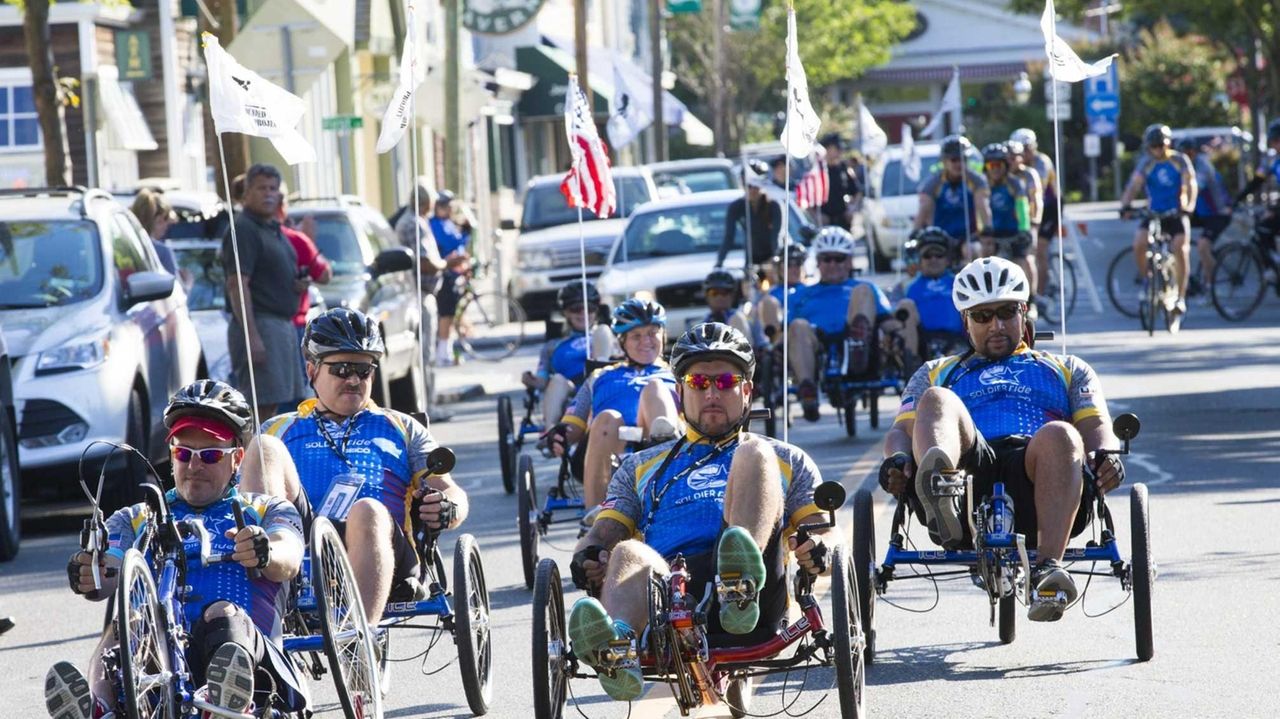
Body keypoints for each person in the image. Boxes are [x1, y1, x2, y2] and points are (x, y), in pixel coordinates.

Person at [566, 322, 831, 701]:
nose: (711, 392)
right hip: (668, 593)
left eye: (724, 381)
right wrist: (585, 558)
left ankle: (738, 585)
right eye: (698, 382)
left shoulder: (786, 458)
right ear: (680, 391)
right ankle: (618, 645)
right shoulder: (640, 465)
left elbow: (824, 532)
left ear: (746, 390)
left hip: (758, 594)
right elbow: (600, 534)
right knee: (627, 552)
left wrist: (820, 549)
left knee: (752, 452)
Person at [880, 257, 1124, 622]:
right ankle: (941, 495)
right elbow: (901, 431)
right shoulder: (936, 371)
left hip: (1037, 467)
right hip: (968, 471)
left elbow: (1095, 426)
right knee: (937, 399)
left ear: (1023, 313)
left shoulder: (1067, 367)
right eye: (982, 316)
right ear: (965, 321)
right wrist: (897, 461)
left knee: (1062, 433)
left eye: (1007, 312)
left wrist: (1106, 455)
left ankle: (1048, 572)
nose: (996, 325)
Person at [45, 381, 307, 719]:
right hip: (157, 657)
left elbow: (290, 555)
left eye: (210, 455)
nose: (194, 465)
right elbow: (108, 570)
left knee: (222, 612)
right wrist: (89, 572)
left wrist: (265, 550)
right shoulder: (135, 517)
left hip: (249, 659)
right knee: (128, 623)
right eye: (184, 453)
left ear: (237, 458)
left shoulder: (265, 509)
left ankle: (224, 702)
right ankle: (99, 707)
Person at [253, 308, 469, 623]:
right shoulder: (279, 428)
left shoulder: (400, 426)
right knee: (264, 448)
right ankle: (262, 608)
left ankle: (360, 638)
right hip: (302, 554)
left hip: (387, 555)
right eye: (341, 369)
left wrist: (448, 508)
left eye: (364, 370)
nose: (354, 379)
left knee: (366, 510)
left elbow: (451, 490)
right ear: (312, 370)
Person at [546, 299, 681, 510]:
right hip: (606, 446)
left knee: (655, 388)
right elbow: (573, 423)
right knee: (608, 417)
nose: (646, 341)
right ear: (621, 341)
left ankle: (663, 451)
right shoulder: (599, 376)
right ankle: (594, 518)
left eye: (652, 332)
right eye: (636, 335)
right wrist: (561, 435)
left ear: (662, 335)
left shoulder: (678, 374)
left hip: (659, 447)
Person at [223, 163, 308, 421]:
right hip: (261, 326)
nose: (268, 194)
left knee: (276, 408)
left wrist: (295, 285)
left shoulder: (271, 227)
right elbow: (237, 284)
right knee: (260, 409)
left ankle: (267, 459)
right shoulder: (243, 228)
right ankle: (253, 460)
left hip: (282, 326)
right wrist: (252, 336)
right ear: (246, 192)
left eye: (273, 188)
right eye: (261, 188)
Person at [785, 227, 892, 422]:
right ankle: (807, 389)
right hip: (816, 342)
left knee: (862, 289)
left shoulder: (866, 289)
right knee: (798, 325)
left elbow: (887, 322)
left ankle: (856, 345)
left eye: (839, 259)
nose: (833, 264)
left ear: (850, 261)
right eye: (827, 259)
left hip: (853, 337)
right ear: (817, 262)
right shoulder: (800, 295)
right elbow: (785, 333)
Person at [1119, 123, 1197, 317]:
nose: (1158, 150)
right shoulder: (1146, 163)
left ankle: (1180, 297)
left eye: (1161, 145)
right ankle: (1149, 282)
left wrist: (1188, 205)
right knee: (1139, 243)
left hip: (1176, 212)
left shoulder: (1179, 160)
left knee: (1180, 248)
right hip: (1154, 212)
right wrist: (1125, 205)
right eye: (1154, 146)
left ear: (1168, 143)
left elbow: (1190, 184)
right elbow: (1133, 186)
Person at [522, 282, 616, 429]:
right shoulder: (552, 346)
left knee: (603, 331)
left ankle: (597, 375)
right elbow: (542, 380)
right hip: (572, 391)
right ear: (565, 312)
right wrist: (530, 380)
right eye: (576, 309)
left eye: (589, 308)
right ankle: (550, 433)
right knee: (557, 380)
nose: (583, 314)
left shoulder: (609, 337)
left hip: (604, 385)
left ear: (597, 311)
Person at [278, 193, 332, 391]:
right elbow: (325, 274)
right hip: (293, 325)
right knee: (300, 391)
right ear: (282, 209)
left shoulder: (243, 235)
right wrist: (309, 240)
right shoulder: (296, 239)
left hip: (258, 328)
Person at [891, 228, 965, 363]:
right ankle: (911, 365)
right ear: (919, 259)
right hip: (921, 343)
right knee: (905, 306)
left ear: (947, 259)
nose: (933, 260)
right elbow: (893, 318)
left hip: (957, 341)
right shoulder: (904, 286)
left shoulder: (961, 282)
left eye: (939, 255)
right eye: (927, 256)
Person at [979, 142, 1036, 312]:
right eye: (991, 165)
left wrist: (1024, 229)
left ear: (1005, 165)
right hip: (993, 233)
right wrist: (982, 230)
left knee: (1023, 262)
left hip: (1013, 231)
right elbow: (979, 209)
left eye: (999, 165)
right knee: (983, 260)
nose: (995, 169)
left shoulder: (1015, 183)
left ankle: (1031, 300)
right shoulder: (982, 186)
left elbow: (1022, 207)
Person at [914, 135, 990, 259]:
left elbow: (983, 206)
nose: (959, 164)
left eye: (962, 159)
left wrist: (988, 228)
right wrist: (915, 232)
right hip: (941, 237)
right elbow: (923, 209)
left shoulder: (976, 181)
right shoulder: (934, 182)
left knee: (972, 251)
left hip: (968, 237)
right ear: (944, 161)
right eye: (954, 160)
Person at [1179, 138, 1232, 298]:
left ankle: (1211, 286)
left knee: (1203, 246)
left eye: (1189, 153)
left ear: (1194, 152)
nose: (1186, 157)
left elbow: (1196, 186)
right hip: (1202, 214)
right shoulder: (1183, 166)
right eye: (1182, 154)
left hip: (1219, 213)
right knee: (1173, 232)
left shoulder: (1203, 165)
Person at [1010, 129, 1059, 298]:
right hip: (1028, 208)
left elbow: (1039, 191)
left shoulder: (1041, 162)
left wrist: (1033, 224)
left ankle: (1040, 294)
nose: (1023, 152)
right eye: (1020, 149)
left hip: (1050, 207)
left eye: (1027, 148)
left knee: (1039, 249)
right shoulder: (1015, 165)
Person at [429, 190, 473, 366]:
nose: (449, 209)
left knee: (451, 314)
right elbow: (451, 243)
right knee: (445, 314)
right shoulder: (435, 224)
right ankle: (442, 353)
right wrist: (464, 235)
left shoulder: (447, 222)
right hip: (445, 274)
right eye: (446, 206)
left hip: (454, 272)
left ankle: (446, 351)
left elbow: (458, 243)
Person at [1234, 118, 1280, 280]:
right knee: (1262, 228)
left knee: (1267, 223)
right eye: (1274, 141)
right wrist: (1238, 199)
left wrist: (1274, 209)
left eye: (1278, 140)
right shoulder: (1272, 160)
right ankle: (1273, 268)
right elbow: (1257, 181)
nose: (1275, 144)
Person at [717, 175, 783, 271]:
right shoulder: (737, 207)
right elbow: (729, 236)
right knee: (748, 283)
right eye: (748, 186)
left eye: (756, 186)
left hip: (771, 257)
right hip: (751, 258)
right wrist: (719, 262)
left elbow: (776, 235)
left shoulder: (773, 206)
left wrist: (776, 258)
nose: (752, 190)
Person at [756, 242, 810, 341]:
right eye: (788, 264)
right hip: (781, 337)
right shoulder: (772, 293)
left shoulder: (811, 290)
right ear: (779, 268)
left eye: (798, 264)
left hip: (805, 335)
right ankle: (776, 347)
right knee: (768, 302)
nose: (794, 269)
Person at [129, 188, 179, 275]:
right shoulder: (162, 252)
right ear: (159, 219)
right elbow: (174, 286)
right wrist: (187, 283)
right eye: (166, 220)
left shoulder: (124, 246)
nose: (167, 226)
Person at [819, 133, 861, 230]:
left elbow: (857, 192)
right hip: (824, 223)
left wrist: (851, 209)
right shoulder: (817, 170)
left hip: (843, 222)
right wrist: (817, 216)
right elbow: (807, 200)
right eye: (836, 148)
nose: (840, 152)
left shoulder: (844, 168)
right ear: (827, 149)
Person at [701, 268, 755, 342]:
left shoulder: (738, 317)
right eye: (714, 292)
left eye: (724, 292)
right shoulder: (705, 321)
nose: (719, 297)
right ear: (706, 296)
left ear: (732, 295)